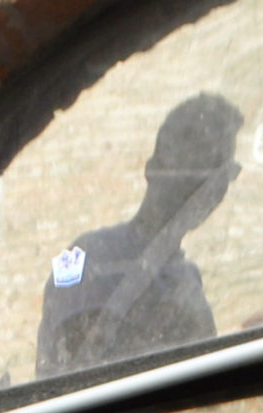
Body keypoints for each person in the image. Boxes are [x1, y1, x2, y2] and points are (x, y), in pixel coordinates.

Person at [35, 93, 243, 380]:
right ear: (153, 168)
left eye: (223, 173)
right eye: (200, 166)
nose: (212, 188)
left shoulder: (187, 283)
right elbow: (72, 373)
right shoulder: (92, 256)